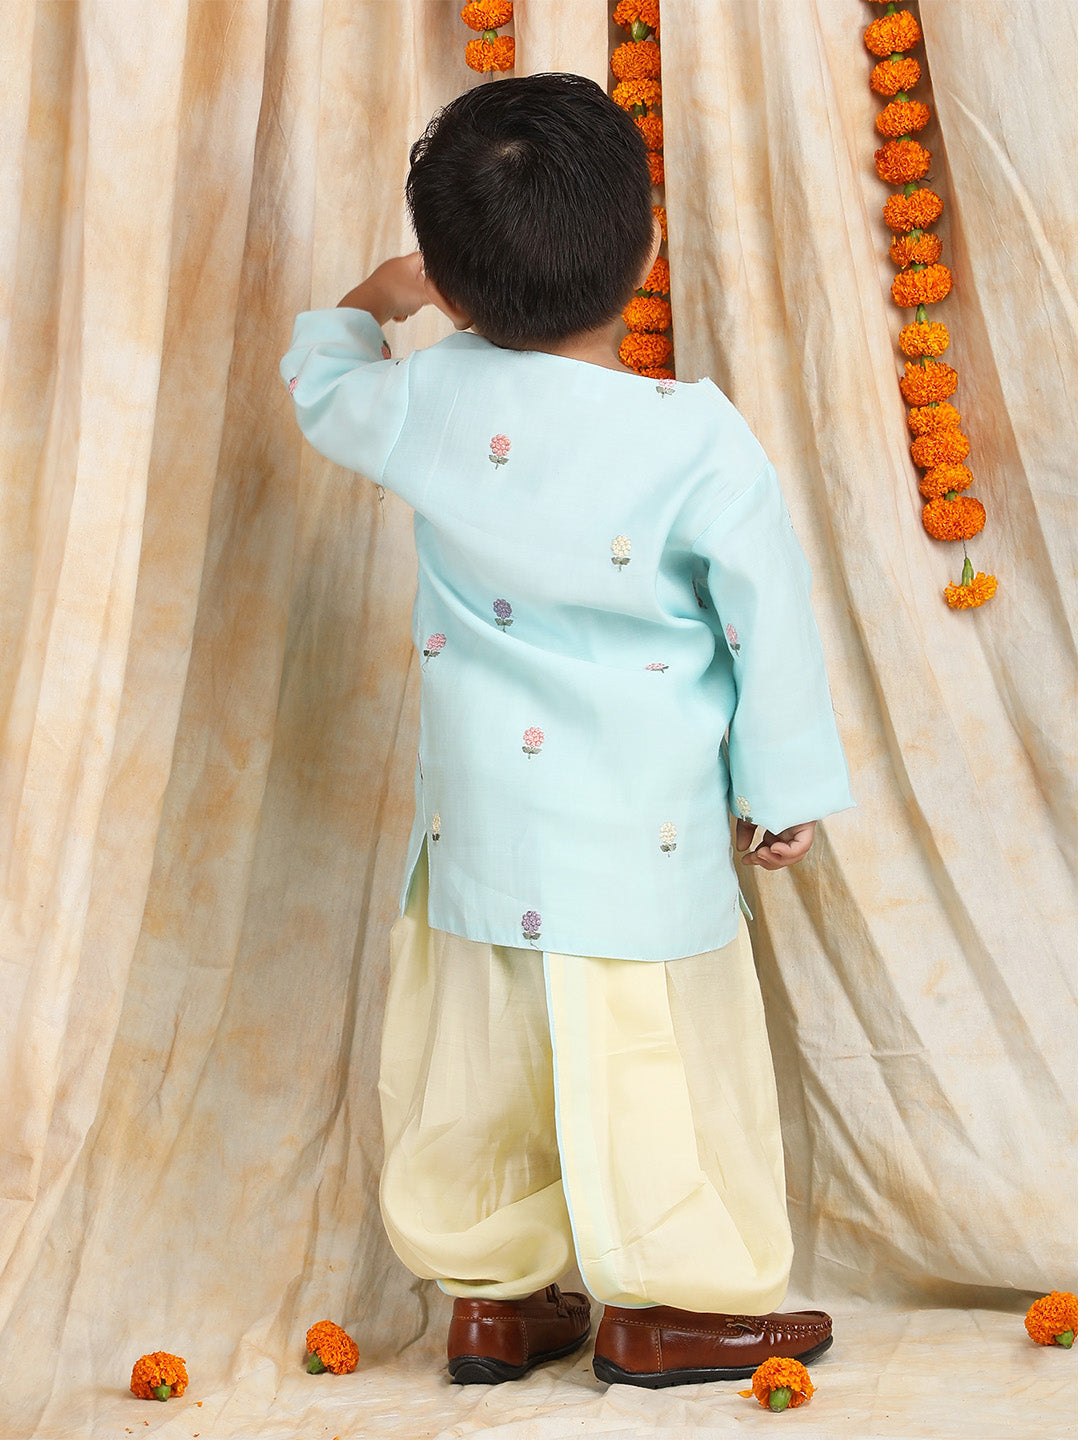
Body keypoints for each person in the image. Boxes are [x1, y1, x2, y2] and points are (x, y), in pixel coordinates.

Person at [281, 73, 853, 1390]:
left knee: (481, 1051)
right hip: (641, 835)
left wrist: (381, 298)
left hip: (481, 823)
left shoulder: (424, 399)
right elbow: (768, 622)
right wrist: (782, 789)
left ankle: (495, 1300)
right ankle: (670, 1308)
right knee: (652, 1060)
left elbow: (322, 380)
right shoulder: (695, 440)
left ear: (451, 284)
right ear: (645, 254)